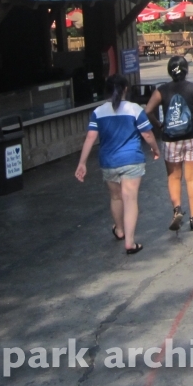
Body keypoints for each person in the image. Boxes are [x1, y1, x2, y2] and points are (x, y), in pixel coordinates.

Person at [75, 74, 161, 255]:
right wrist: (155, 149)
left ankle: (119, 230)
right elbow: (147, 134)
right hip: (131, 160)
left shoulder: (98, 112)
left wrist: (82, 163)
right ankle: (130, 242)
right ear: (125, 89)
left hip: (109, 161)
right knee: (130, 199)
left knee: (116, 197)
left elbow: (91, 137)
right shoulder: (134, 109)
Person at [146, 56, 193, 232]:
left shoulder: (161, 91)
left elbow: (148, 111)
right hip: (192, 137)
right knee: (192, 177)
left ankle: (177, 209)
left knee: (174, 177)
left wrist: (159, 125)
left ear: (169, 71)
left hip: (171, 139)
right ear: (186, 70)